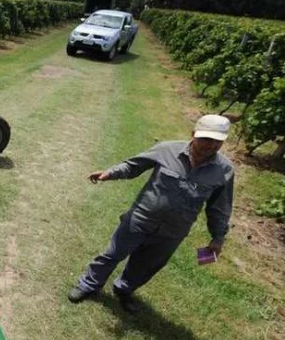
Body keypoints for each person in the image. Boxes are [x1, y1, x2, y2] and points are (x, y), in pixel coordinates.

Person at [68, 114, 235, 313]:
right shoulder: (167, 150)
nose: (211, 145)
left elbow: (220, 207)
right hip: (141, 218)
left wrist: (218, 237)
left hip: (174, 231)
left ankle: (124, 289)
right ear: (193, 134)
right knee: (112, 253)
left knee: (146, 266)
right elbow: (134, 165)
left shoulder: (224, 170)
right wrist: (111, 173)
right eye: (206, 139)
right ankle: (89, 284)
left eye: (218, 141)